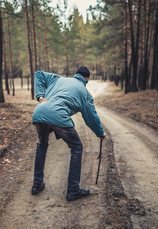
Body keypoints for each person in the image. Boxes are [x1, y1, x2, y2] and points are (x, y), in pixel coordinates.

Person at [31, 66, 106, 201]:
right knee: (77, 148)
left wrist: (41, 97)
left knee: (42, 145)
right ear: (87, 79)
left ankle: (37, 184)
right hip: (58, 116)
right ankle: (73, 190)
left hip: (39, 112)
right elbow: (91, 118)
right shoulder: (85, 93)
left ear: (75, 74)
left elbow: (39, 74)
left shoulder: (58, 79)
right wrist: (100, 133)